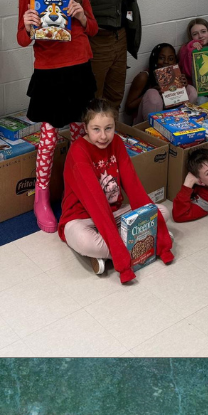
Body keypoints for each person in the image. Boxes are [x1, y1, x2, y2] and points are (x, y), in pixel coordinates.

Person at [18, 0, 99, 232]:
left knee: (80, 135)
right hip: (50, 74)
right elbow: (23, 40)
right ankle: (41, 198)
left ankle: (78, 189)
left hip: (79, 70)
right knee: (49, 138)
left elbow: (93, 30)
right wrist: (27, 25)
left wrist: (81, 17)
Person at [58, 98, 174, 282]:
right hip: (81, 218)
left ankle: (118, 250)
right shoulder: (78, 151)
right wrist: (147, 239)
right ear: (85, 128)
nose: (103, 136)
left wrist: (158, 230)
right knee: (86, 241)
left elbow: (134, 187)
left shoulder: (117, 143)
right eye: (96, 129)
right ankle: (140, 245)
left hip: (115, 213)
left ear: (115, 126)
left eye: (109, 128)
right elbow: (95, 203)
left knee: (162, 212)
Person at [124, 43, 198, 125]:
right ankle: (152, 133)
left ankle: (183, 124)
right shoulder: (144, 76)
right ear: (155, 59)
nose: (166, 62)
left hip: (170, 120)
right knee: (152, 94)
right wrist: (151, 92)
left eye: (170, 59)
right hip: (145, 123)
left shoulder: (176, 75)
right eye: (161, 58)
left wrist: (183, 88)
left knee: (191, 89)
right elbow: (128, 109)